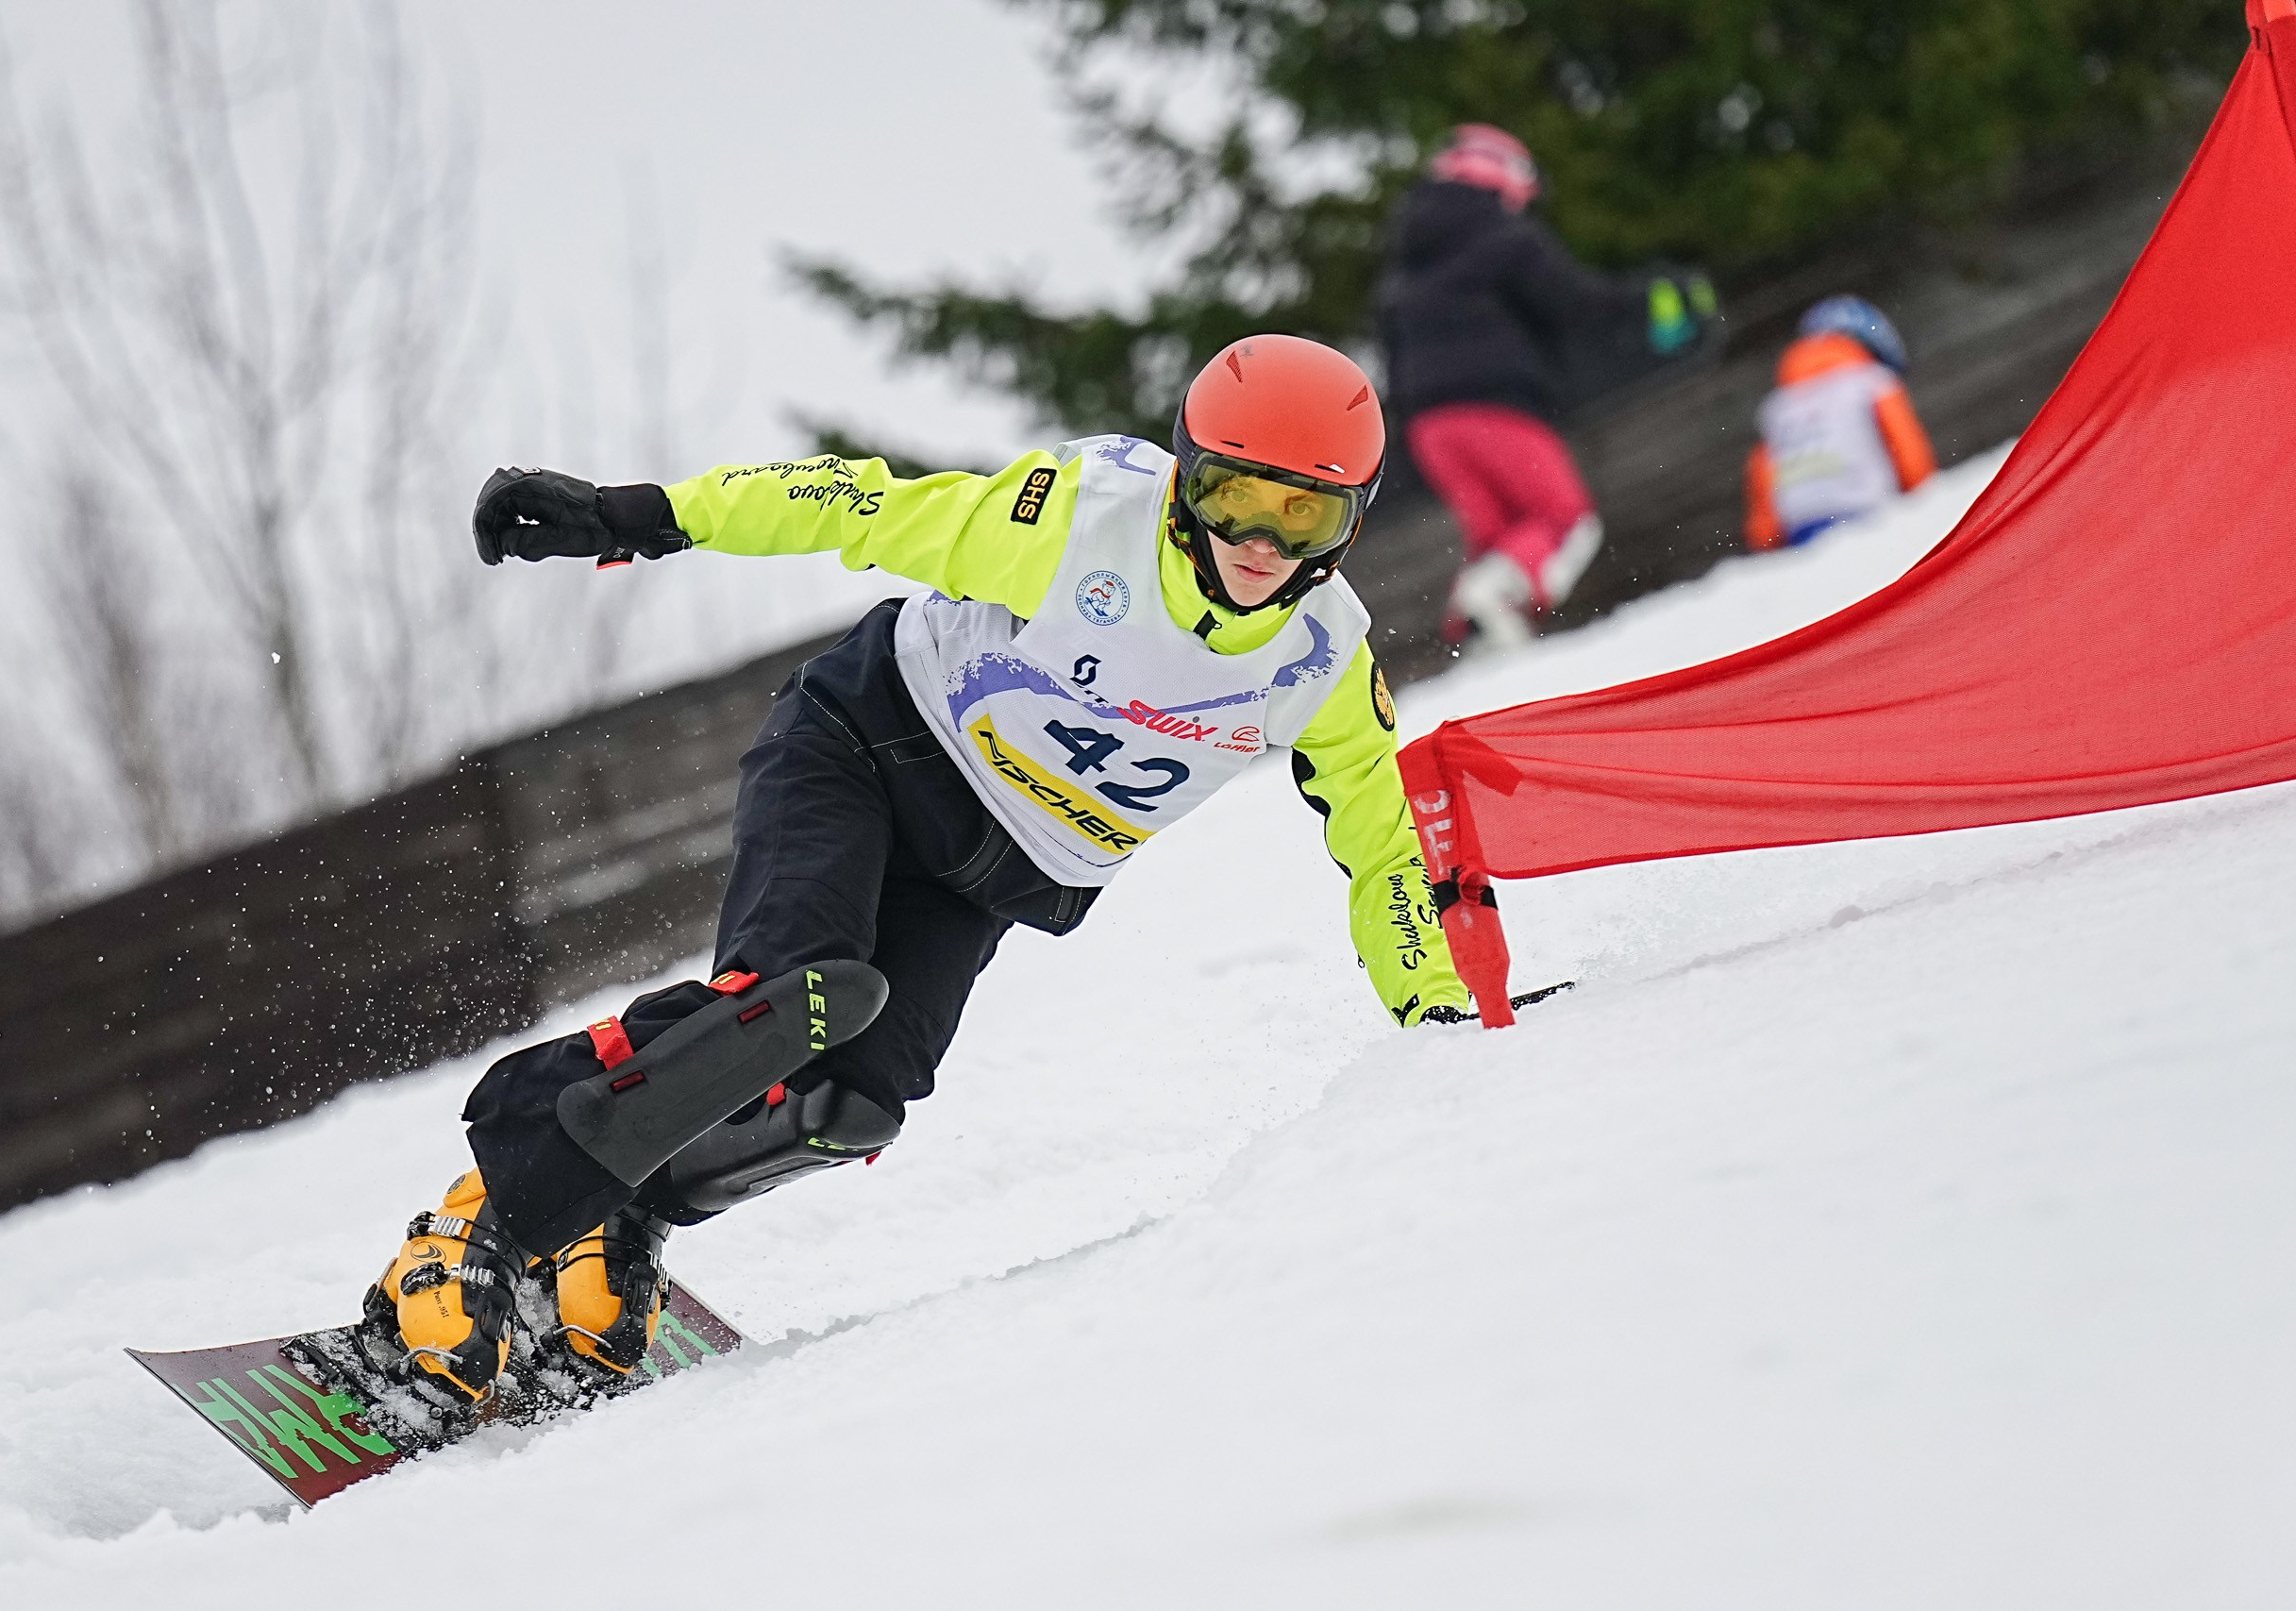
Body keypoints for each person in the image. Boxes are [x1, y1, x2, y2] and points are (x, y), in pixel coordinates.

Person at [351, 335, 1483, 1409]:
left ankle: (616, 1211)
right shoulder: (1082, 525)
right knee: (784, 1004)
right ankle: (481, 1219)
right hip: (866, 752)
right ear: (1187, 479)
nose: (1262, 546)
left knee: (847, 1104)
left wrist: (1435, 1011)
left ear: (1350, 520)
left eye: (1304, 515)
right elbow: (861, 505)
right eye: (1235, 498)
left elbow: (1383, 846)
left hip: (985, 876)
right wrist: (639, 517)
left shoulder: (1323, 659)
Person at [1376, 123, 1715, 651]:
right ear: (1501, 182)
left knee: (1498, 536)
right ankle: (1487, 601)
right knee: (1566, 522)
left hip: (1430, 430)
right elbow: (1580, 305)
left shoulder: (1405, 278)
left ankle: (1484, 645)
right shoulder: (1505, 240)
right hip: (1495, 409)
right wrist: (1652, 298)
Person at [1744, 296, 1936, 550]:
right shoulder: (1872, 382)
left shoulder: (1777, 407)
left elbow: (1763, 476)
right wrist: (1923, 494)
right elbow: (1906, 448)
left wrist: (1768, 537)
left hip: (1801, 529)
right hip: (1866, 511)